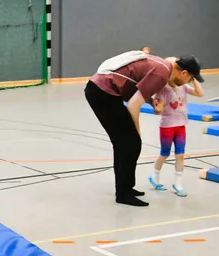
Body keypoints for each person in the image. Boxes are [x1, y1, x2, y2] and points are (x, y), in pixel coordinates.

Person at [84, 50, 203, 207]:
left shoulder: (162, 66)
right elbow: (133, 105)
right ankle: (123, 193)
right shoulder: (162, 74)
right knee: (130, 143)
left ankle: (125, 188)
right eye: (191, 78)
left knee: (123, 144)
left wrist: (150, 100)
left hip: (102, 91)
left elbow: (137, 88)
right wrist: (136, 131)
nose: (189, 81)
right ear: (184, 72)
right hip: (103, 94)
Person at [149, 72, 204, 197]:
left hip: (181, 126)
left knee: (180, 155)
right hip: (167, 127)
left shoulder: (183, 87)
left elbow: (200, 93)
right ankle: (154, 176)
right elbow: (159, 108)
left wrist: (194, 79)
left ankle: (178, 184)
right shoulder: (164, 90)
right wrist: (158, 107)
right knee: (164, 154)